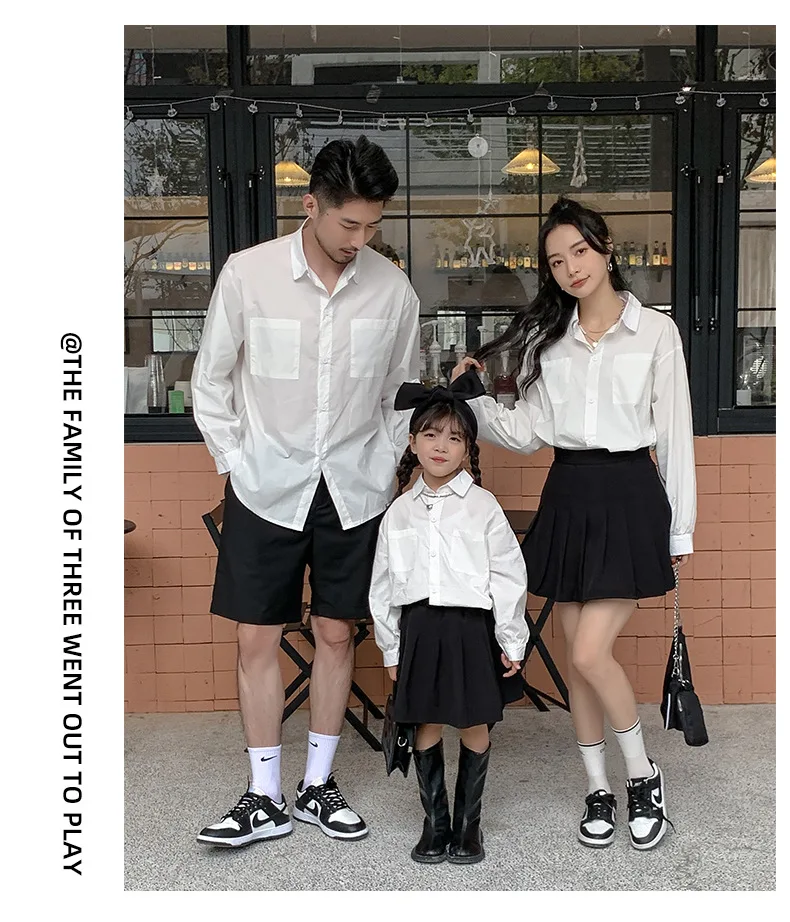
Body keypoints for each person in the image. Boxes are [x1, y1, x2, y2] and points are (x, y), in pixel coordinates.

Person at [192, 135, 421, 847]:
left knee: (335, 632)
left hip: (354, 489)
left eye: (372, 226)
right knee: (255, 635)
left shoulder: (393, 290)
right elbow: (211, 379)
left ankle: (318, 785)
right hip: (266, 485)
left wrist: (384, 462)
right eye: (348, 223)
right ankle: (263, 795)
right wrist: (238, 462)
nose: (360, 240)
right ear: (310, 205)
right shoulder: (248, 275)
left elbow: (401, 395)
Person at [453, 196, 696, 851]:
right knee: (574, 657)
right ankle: (597, 788)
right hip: (569, 493)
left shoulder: (655, 333)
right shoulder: (547, 339)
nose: (570, 269)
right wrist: (472, 401)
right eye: (556, 262)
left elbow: (675, 435)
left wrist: (680, 529)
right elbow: (527, 433)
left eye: (579, 252)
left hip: (630, 494)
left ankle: (642, 778)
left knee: (591, 652)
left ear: (606, 249)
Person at [368, 370, 529, 865]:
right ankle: (435, 823)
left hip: (470, 631)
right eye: (431, 434)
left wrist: (511, 639)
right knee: (427, 723)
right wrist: (390, 648)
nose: (441, 446)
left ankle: (468, 825)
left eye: (454, 438)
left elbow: (508, 574)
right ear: (413, 442)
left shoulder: (483, 507)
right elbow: (383, 585)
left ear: (467, 449)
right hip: (420, 632)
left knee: (475, 723)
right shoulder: (399, 511)